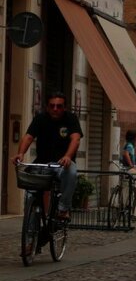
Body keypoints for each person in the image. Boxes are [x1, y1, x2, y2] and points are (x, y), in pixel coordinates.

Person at [12, 91, 83, 220]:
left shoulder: (71, 119)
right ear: (47, 107)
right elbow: (28, 137)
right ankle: (31, 219)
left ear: (65, 107)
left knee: (72, 173)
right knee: (30, 189)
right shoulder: (40, 118)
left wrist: (67, 156)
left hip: (63, 164)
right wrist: (21, 153)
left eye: (59, 106)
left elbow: (75, 139)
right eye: (52, 106)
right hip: (42, 163)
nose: (55, 109)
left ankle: (63, 208)